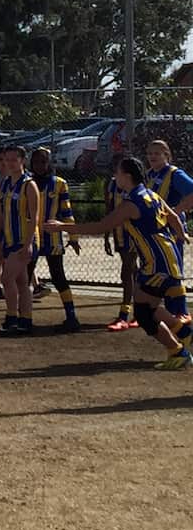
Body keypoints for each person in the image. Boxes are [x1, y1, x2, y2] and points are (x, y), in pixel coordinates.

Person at [47, 156, 192, 369]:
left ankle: (178, 350)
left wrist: (61, 227)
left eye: (118, 172)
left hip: (157, 262)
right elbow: (173, 217)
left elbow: (101, 226)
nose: (115, 176)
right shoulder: (150, 194)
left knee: (143, 311)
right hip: (164, 258)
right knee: (145, 305)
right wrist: (181, 237)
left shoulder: (131, 203)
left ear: (127, 176)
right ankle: (182, 334)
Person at [28, 147, 82, 332]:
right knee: (25, 277)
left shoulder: (59, 184)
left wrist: (72, 236)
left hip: (53, 238)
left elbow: (67, 212)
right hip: (30, 238)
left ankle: (71, 316)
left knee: (58, 276)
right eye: (36, 162)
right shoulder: (26, 183)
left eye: (43, 162)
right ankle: (23, 317)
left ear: (49, 163)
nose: (39, 166)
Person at [0, 145, 40, 335]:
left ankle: (12, 316)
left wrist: (28, 244)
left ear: (22, 161)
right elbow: (0, 212)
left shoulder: (29, 185)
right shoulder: (6, 183)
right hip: (10, 240)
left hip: (24, 240)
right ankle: (25, 319)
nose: (9, 163)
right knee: (21, 281)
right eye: (6, 159)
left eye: (13, 159)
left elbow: (34, 216)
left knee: (6, 277)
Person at [145, 139, 193, 332]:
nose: (153, 156)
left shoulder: (174, 174)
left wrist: (175, 210)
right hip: (152, 232)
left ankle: (180, 311)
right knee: (158, 271)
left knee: (172, 269)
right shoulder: (147, 175)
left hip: (170, 230)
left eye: (157, 153)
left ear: (167, 155)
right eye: (150, 153)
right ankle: (166, 312)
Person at [104, 152, 139, 331]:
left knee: (127, 272)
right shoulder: (111, 184)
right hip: (119, 234)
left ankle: (125, 313)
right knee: (133, 273)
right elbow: (109, 210)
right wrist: (106, 237)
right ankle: (139, 311)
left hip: (134, 235)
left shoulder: (137, 188)